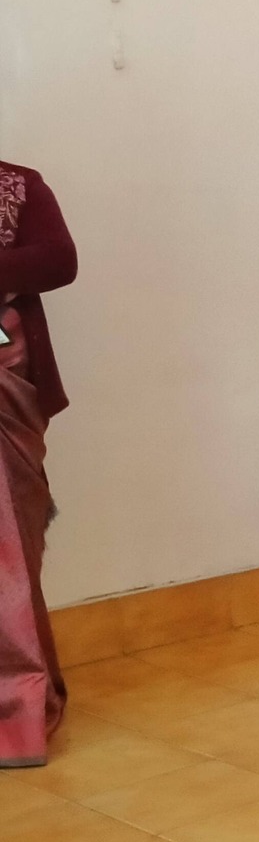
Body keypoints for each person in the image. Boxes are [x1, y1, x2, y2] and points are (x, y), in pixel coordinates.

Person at [0, 162, 77, 768]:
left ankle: (16, 709)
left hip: (6, 389)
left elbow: (58, 260)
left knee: (6, 553)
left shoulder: (18, 185)